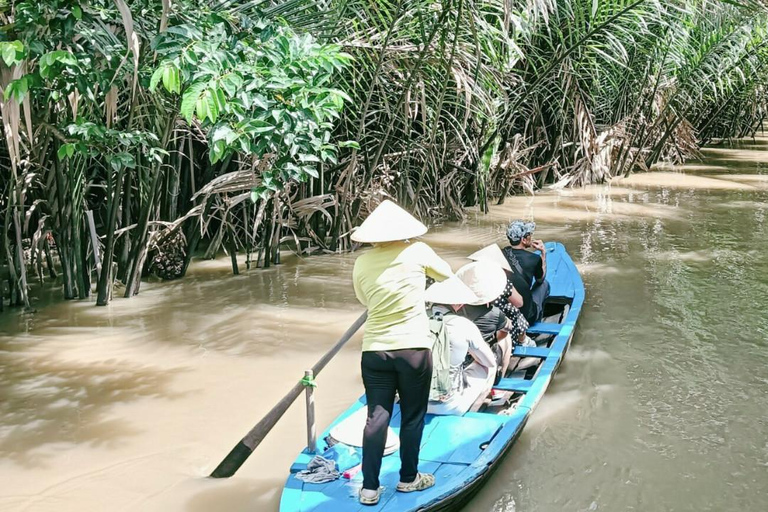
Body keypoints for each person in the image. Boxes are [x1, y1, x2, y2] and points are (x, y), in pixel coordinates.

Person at [351, 200, 452, 506]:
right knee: (412, 416)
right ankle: (409, 479)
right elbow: (447, 275)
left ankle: (369, 488)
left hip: (375, 351)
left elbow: (364, 299)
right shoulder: (418, 251)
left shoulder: (361, 263)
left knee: (376, 417)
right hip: (413, 349)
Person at [424, 276, 497, 416]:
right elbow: (489, 362)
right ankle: (471, 412)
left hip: (411, 402)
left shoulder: (414, 319)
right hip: (448, 406)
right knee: (489, 367)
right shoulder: (463, 325)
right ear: (458, 304)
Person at [502, 220, 550, 324]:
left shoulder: (500, 254)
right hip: (526, 315)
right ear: (523, 240)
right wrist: (543, 253)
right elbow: (540, 280)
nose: (531, 237)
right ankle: (539, 316)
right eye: (529, 235)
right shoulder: (534, 259)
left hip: (505, 312)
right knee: (545, 284)